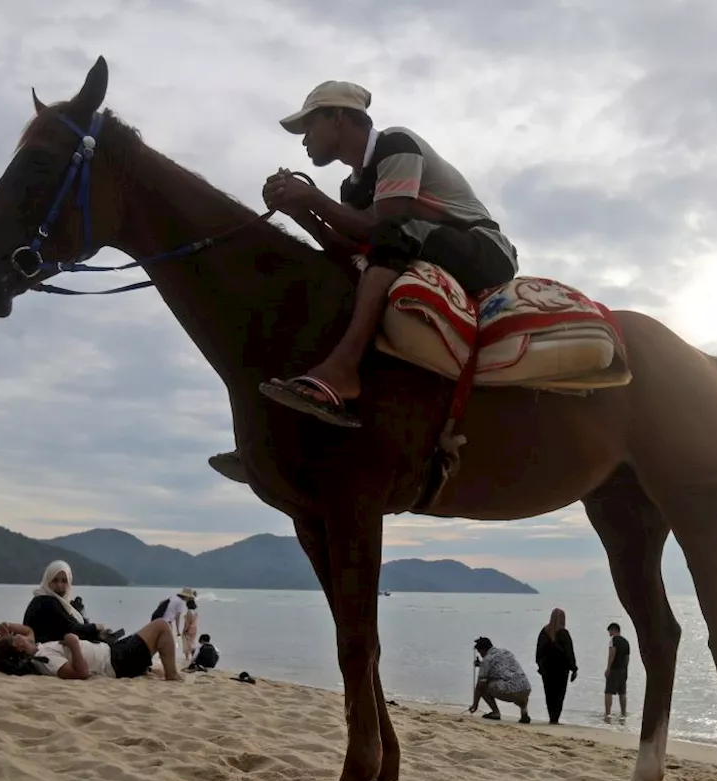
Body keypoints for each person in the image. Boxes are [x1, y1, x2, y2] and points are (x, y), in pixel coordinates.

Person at [207, 79, 521, 482]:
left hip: (483, 249)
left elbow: (386, 226)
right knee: (339, 273)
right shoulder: (352, 186)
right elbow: (347, 248)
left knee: (394, 234)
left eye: (309, 127)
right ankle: (274, 438)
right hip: (412, 246)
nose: (304, 141)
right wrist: (299, 211)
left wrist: (312, 199)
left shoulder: (396, 146)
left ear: (338, 118)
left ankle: (343, 368)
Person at [0, 620, 182, 682]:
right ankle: (172, 677)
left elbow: (28, 631)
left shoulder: (37, 647)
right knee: (161, 626)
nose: (20, 634)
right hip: (115, 662)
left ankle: (162, 671)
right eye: (16, 636)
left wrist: (7, 625)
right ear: (18, 646)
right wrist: (74, 643)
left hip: (112, 651)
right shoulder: (43, 657)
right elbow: (80, 674)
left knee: (155, 638)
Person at [22, 561, 106, 644]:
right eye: (55, 580)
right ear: (48, 581)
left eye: (64, 581)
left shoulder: (61, 602)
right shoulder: (45, 602)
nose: (59, 585)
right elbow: (71, 629)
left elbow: (72, 624)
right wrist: (96, 627)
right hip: (43, 649)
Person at [468, 637, 532, 724]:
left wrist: (475, 705)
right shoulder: (505, 652)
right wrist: (481, 665)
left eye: (480, 652)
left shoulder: (487, 660)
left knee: (483, 686)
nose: (481, 655)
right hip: (526, 689)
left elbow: (480, 685)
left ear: (482, 650)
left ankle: (495, 712)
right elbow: (502, 669)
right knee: (519, 682)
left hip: (510, 691)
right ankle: (524, 711)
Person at [535, 608, 579, 725]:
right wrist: (574, 668)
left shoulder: (544, 632)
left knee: (549, 693)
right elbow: (570, 652)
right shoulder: (564, 633)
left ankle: (551, 717)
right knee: (559, 694)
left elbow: (538, 651)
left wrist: (540, 665)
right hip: (561, 669)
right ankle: (556, 718)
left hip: (547, 669)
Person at [604, 622, 631, 722]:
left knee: (608, 692)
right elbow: (627, 657)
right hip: (623, 670)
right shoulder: (626, 642)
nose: (609, 634)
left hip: (614, 669)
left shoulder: (613, 640)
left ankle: (608, 714)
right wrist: (625, 669)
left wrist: (608, 668)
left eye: (610, 631)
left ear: (614, 630)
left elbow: (612, 653)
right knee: (622, 693)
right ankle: (623, 713)